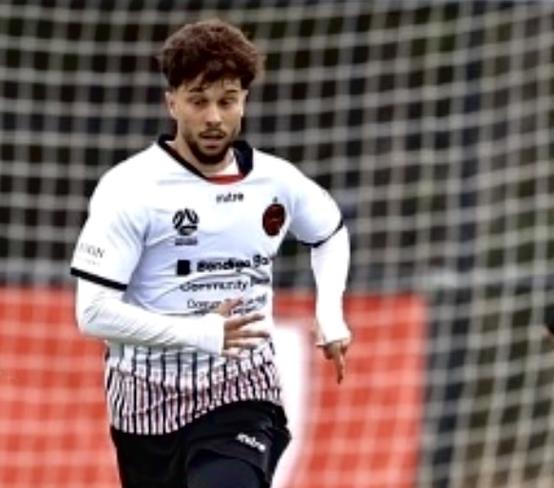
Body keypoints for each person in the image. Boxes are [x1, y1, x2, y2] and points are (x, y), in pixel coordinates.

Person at [70, 18, 352, 488]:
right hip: (145, 403)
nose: (214, 118)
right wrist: (200, 332)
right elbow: (93, 314)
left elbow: (329, 233)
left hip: (242, 390)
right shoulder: (130, 188)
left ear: (244, 100)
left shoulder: (277, 181)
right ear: (172, 102)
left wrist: (331, 311)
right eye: (198, 101)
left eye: (227, 101)